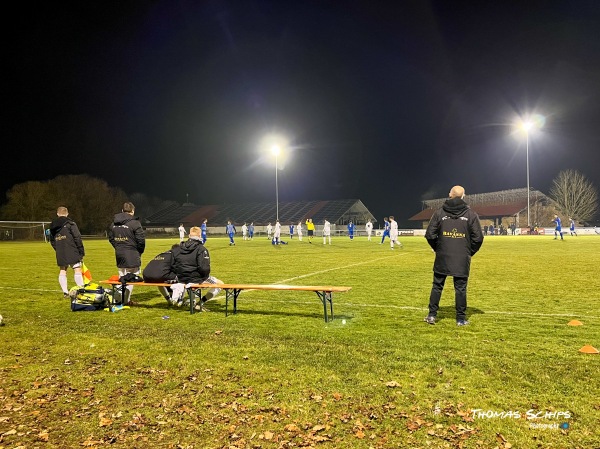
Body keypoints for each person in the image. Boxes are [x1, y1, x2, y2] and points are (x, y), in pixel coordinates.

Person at [424, 185, 484, 326]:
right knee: (461, 288)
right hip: (461, 258)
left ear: (450, 194)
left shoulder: (439, 213)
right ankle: (460, 319)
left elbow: (430, 235)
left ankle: (432, 316)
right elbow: (478, 239)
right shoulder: (471, 215)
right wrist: (468, 252)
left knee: (437, 286)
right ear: (464, 196)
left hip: (443, 256)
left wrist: (438, 248)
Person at [172, 226, 222, 310]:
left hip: (182, 278)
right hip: (195, 278)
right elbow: (204, 268)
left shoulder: (179, 248)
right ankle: (200, 303)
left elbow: (174, 264)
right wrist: (204, 279)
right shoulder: (201, 249)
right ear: (199, 235)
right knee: (220, 284)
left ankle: (192, 300)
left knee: (191, 281)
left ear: (189, 236)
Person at [108, 202, 146, 304]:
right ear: (132, 211)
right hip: (132, 253)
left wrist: (117, 246)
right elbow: (141, 240)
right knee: (131, 277)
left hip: (119, 254)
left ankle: (119, 299)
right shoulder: (135, 223)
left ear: (122, 210)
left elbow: (111, 238)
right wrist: (139, 251)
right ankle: (125, 300)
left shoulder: (114, 223)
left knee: (121, 276)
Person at [49, 206, 85, 298]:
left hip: (60, 250)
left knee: (62, 270)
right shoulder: (70, 224)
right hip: (72, 248)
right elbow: (77, 237)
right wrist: (81, 251)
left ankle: (65, 292)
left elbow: (52, 240)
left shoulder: (52, 226)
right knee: (77, 269)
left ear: (57, 214)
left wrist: (57, 249)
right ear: (67, 213)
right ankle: (81, 290)